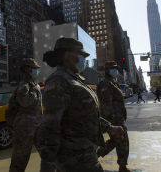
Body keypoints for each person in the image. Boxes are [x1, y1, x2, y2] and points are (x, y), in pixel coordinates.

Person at [38, 37, 124, 172]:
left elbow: (85, 114)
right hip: (74, 158)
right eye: (81, 55)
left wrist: (109, 128)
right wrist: (47, 166)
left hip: (86, 153)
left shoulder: (74, 79)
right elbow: (49, 126)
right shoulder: (59, 81)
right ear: (69, 56)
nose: (83, 59)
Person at [96, 61, 131, 172]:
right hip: (113, 118)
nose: (115, 70)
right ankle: (122, 167)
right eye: (112, 68)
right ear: (106, 70)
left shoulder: (111, 82)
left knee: (115, 141)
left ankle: (93, 156)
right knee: (122, 139)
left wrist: (123, 115)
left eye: (116, 68)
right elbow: (106, 104)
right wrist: (112, 124)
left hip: (118, 117)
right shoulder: (106, 83)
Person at [9, 58, 42, 172]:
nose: (36, 71)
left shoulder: (34, 84)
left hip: (37, 124)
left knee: (47, 152)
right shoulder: (23, 86)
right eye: (34, 69)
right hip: (24, 126)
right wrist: (34, 92)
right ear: (28, 70)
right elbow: (24, 102)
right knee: (20, 158)